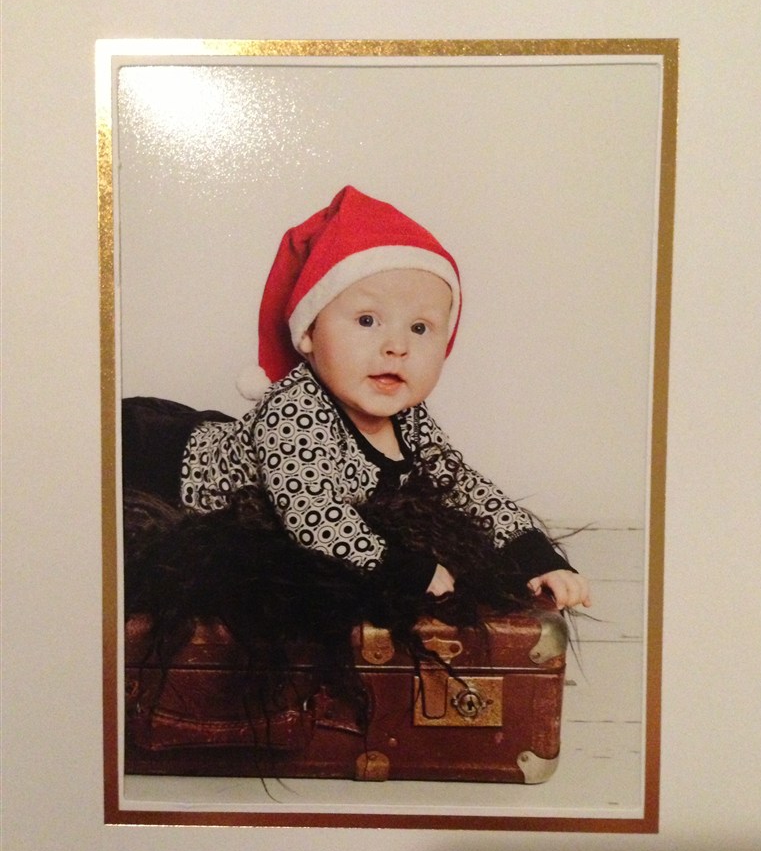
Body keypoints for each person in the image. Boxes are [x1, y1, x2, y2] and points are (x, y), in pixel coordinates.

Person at [122, 185, 590, 649]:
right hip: (159, 457)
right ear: (308, 335)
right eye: (367, 320)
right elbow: (311, 512)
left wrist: (536, 556)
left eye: (420, 328)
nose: (397, 346)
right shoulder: (295, 410)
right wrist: (399, 567)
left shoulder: (409, 417)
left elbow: (463, 485)